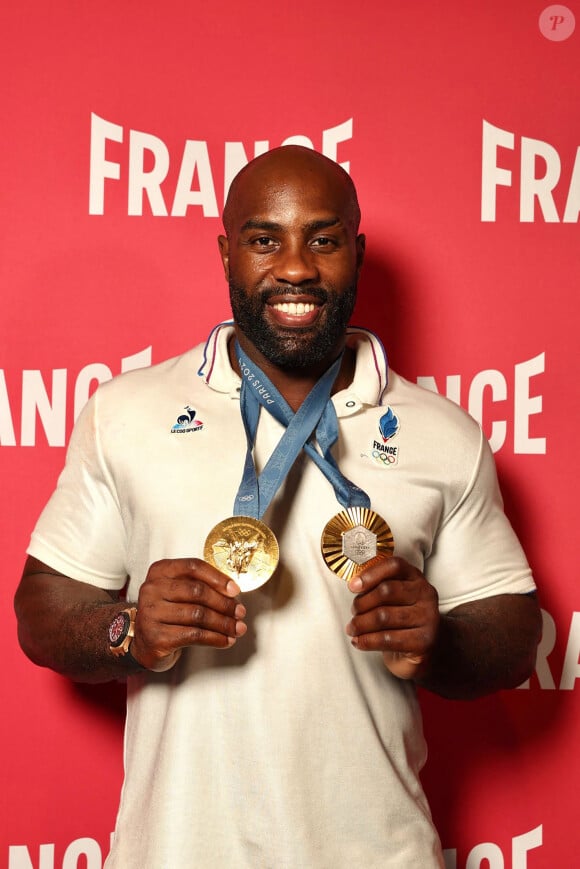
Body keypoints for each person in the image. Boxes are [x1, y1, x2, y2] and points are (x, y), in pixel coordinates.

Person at [14, 145, 542, 868]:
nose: (295, 267)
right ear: (227, 253)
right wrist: (127, 627)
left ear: (355, 252)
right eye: (265, 240)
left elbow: (512, 632)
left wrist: (439, 641)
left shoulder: (443, 433)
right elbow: (41, 606)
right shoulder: (125, 412)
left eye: (322, 239)